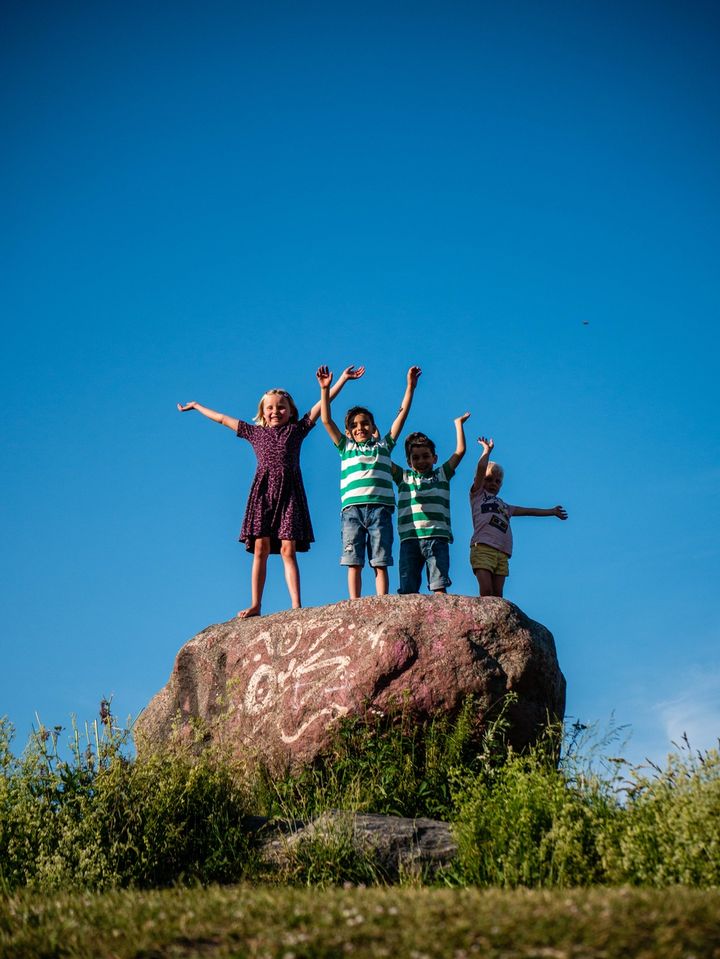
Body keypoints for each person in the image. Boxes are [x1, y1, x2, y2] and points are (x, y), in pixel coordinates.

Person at [177, 365, 365, 618]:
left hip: (289, 494)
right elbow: (222, 418)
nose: (276, 411)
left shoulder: (297, 430)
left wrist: (338, 381)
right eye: (270, 408)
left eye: (281, 407)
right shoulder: (254, 432)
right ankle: (256, 604)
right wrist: (197, 406)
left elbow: (323, 404)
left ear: (291, 412)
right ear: (263, 413)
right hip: (263, 494)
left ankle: (296, 605)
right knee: (260, 548)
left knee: (288, 549)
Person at [316, 364, 422, 598]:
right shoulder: (346, 448)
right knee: (353, 561)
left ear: (374, 427)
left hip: (380, 510)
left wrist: (410, 387)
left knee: (380, 561)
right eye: (354, 425)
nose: (360, 427)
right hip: (352, 511)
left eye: (365, 423)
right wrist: (324, 390)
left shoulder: (383, 446)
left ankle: (381, 601)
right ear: (348, 432)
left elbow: (401, 415)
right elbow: (326, 420)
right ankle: (354, 602)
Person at [470, 436, 568, 597]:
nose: (493, 483)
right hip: (483, 547)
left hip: (502, 552)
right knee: (486, 591)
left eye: (497, 481)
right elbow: (481, 468)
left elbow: (529, 511)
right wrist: (486, 451)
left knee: (498, 595)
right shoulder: (478, 495)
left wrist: (551, 511)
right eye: (489, 479)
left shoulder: (505, 507)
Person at [390, 414, 470, 594]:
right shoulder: (404, 477)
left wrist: (458, 424)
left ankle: (441, 612)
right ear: (409, 462)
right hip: (410, 538)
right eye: (416, 458)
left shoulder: (442, 475)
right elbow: (383, 458)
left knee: (439, 585)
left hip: (437, 537)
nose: (421, 461)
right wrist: (376, 441)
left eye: (426, 456)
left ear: (435, 458)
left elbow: (460, 451)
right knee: (408, 589)